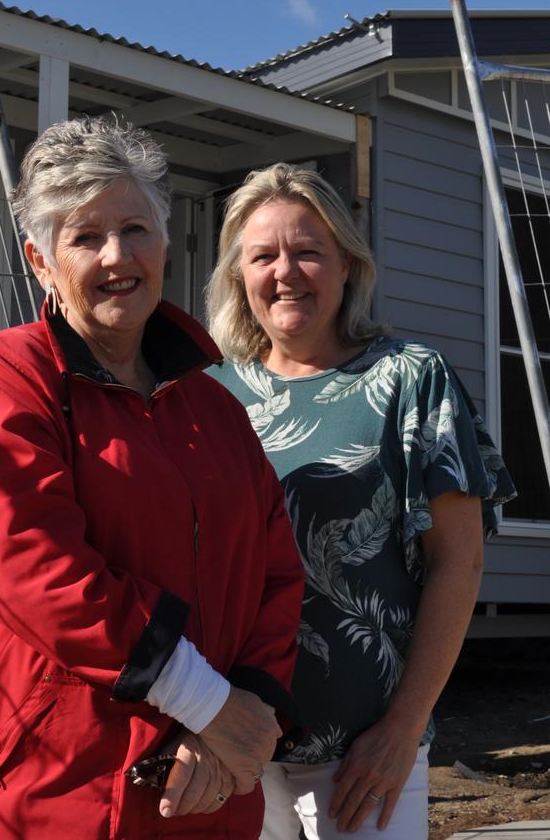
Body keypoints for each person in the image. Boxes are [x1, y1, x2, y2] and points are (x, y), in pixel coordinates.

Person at [0, 118, 304, 840]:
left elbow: (278, 576)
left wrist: (241, 718)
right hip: (51, 794)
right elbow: (37, 572)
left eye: (135, 228)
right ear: (40, 262)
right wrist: (210, 705)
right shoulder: (4, 379)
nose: (116, 256)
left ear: (165, 243)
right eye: (84, 237)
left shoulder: (217, 408)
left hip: (206, 786)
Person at [205, 163, 516, 840]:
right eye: (263, 256)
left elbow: (458, 564)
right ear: (238, 276)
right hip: (232, 747)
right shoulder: (206, 398)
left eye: (307, 251)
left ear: (346, 264)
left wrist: (402, 730)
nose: (285, 272)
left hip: (364, 755)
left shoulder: (409, 378)